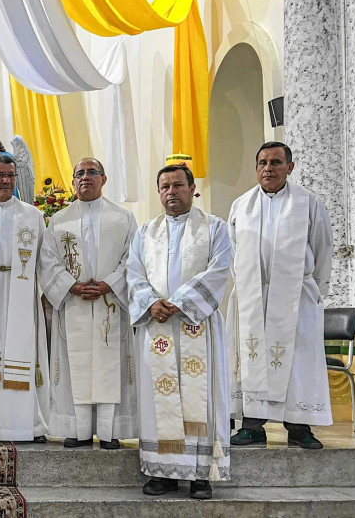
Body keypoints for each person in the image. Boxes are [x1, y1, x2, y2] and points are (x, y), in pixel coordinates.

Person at [127, 164, 231, 500]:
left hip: (196, 324)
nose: (171, 192)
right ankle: (162, 472)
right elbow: (134, 273)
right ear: (159, 192)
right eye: (164, 187)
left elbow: (220, 270)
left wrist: (181, 302)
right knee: (160, 399)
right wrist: (151, 302)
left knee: (200, 398)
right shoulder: (145, 231)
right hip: (158, 326)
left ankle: (202, 475)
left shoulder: (214, 227)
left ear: (192, 188)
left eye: (177, 185)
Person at [228, 141, 333, 449]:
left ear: (290, 167)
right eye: (262, 162)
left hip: (297, 298)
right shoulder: (241, 205)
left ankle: (299, 428)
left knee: (298, 362)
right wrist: (248, 287)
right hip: (252, 296)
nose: (268, 168)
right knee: (252, 358)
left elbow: (323, 248)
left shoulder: (308, 203)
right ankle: (251, 426)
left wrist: (316, 293)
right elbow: (233, 252)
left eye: (275, 162)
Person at [41, 158, 139, 449]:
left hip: (110, 301)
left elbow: (133, 258)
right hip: (75, 303)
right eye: (80, 173)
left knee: (109, 365)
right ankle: (78, 429)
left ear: (104, 179)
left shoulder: (123, 218)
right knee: (76, 363)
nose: (86, 177)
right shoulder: (60, 220)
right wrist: (71, 285)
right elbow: (47, 261)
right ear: (73, 182)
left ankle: (111, 431)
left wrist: (110, 283)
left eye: (92, 172)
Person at [0, 154, 50, 442]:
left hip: (22, 292)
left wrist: (46, 296)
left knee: (24, 354)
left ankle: (30, 425)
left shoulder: (32, 215)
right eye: (0, 175)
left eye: (10, 176)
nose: (5, 181)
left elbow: (45, 259)